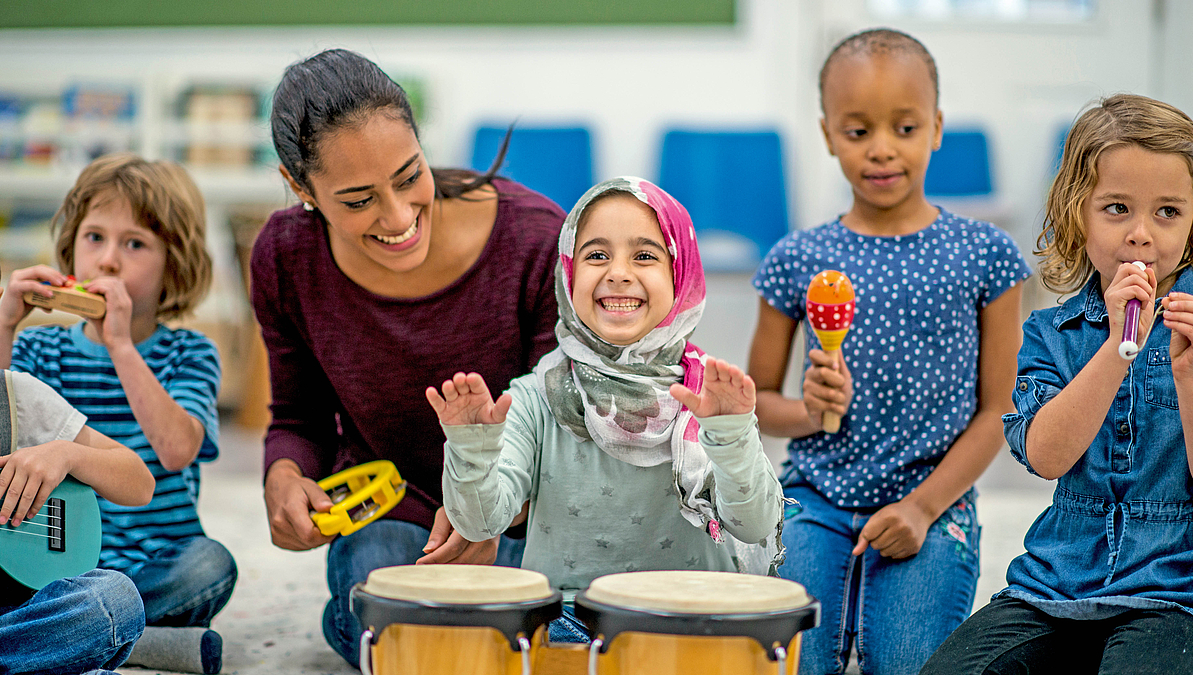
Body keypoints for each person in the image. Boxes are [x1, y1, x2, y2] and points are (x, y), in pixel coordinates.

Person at [255, 48, 564, 665]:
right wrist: (284, 478)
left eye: (408, 176)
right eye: (356, 200)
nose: (398, 218)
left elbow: (567, 432)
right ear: (299, 187)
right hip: (393, 514)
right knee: (396, 618)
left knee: (540, 628)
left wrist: (491, 515)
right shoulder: (287, 258)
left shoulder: (536, 239)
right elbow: (299, 417)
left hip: (529, 511)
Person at [746, 29, 1031, 675]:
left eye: (904, 128)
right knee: (794, 660)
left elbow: (1000, 411)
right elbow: (757, 405)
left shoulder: (987, 257)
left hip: (933, 499)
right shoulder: (796, 258)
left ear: (936, 127)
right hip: (815, 496)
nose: (881, 149)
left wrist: (924, 507)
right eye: (856, 132)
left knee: (906, 663)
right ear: (826, 134)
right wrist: (811, 410)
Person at [427, 176, 786, 641]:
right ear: (569, 274)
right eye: (596, 255)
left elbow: (753, 522)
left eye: (644, 255)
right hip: (567, 617)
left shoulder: (714, 399)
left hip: (696, 617)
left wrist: (732, 435)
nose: (618, 272)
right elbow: (481, 521)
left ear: (681, 276)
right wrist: (471, 449)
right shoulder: (533, 397)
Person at [922, 94, 1193, 675]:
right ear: (1078, 212)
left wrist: (1191, 378)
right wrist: (1113, 356)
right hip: (1054, 586)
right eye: (1117, 208)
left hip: (1176, 592)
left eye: (1168, 212)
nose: (1141, 235)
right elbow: (1046, 456)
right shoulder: (1049, 334)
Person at [0, 154, 235, 675]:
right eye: (94, 237)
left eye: (134, 244)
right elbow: (1, 419)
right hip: (52, 559)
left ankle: (74, 628)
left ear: (174, 262)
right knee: (79, 595)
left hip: (157, 561)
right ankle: (125, 636)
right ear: (71, 246)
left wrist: (123, 347)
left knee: (212, 565)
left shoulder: (190, 354)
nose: (108, 260)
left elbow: (176, 451)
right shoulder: (41, 348)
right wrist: (5, 325)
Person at [0, 366, 155, 675]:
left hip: (14, 615)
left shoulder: (12, 394)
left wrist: (67, 453)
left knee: (114, 600)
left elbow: (141, 484)